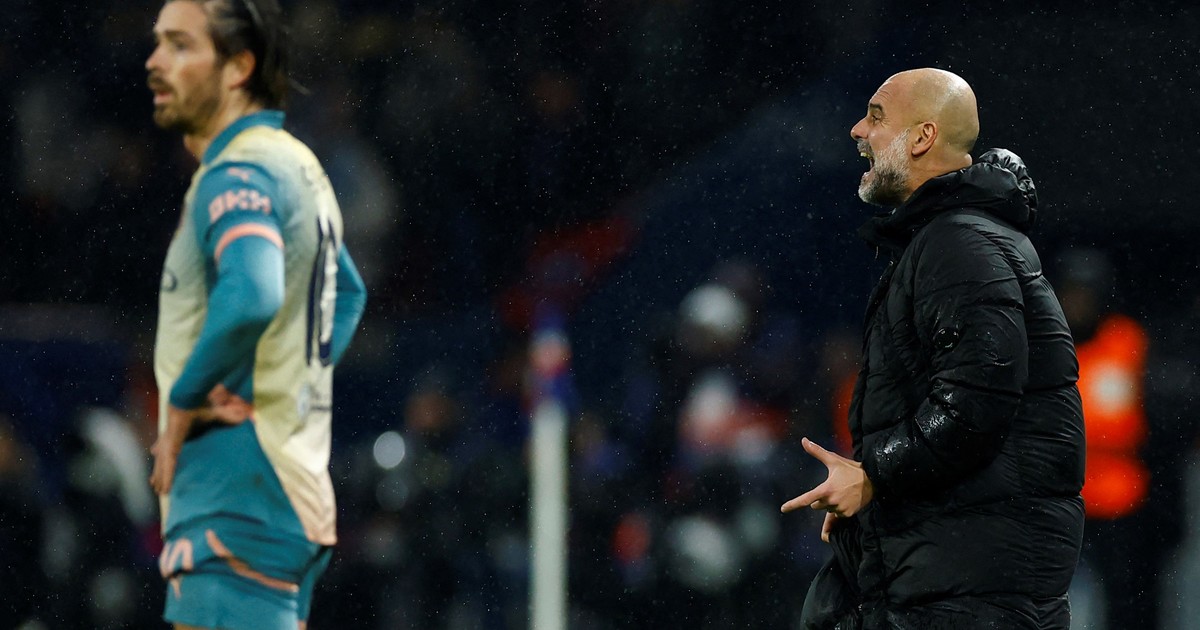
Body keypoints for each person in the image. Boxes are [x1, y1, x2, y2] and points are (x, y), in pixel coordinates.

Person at [781, 68, 1085, 628]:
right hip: (955, 573)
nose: (857, 130)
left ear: (923, 137)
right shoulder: (950, 239)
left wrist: (873, 474)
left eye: (875, 117)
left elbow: (977, 403)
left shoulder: (961, 243)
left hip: (969, 586)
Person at [145, 1, 367, 628]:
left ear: (239, 67)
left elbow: (252, 294)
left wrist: (184, 403)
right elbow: (348, 295)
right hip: (278, 492)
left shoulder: (236, 171)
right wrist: (276, 385)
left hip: (236, 496)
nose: (155, 62)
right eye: (158, 43)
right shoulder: (297, 166)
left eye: (181, 46)